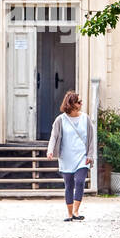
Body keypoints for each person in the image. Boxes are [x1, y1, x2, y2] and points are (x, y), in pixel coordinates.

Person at [45, 90, 96, 221]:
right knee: (69, 185)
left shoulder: (86, 118)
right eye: (79, 102)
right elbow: (54, 137)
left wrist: (90, 154)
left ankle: (76, 211)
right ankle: (69, 214)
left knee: (79, 181)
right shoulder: (60, 120)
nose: (81, 104)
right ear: (72, 104)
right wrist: (50, 150)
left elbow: (91, 138)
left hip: (82, 157)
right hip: (66, 158)